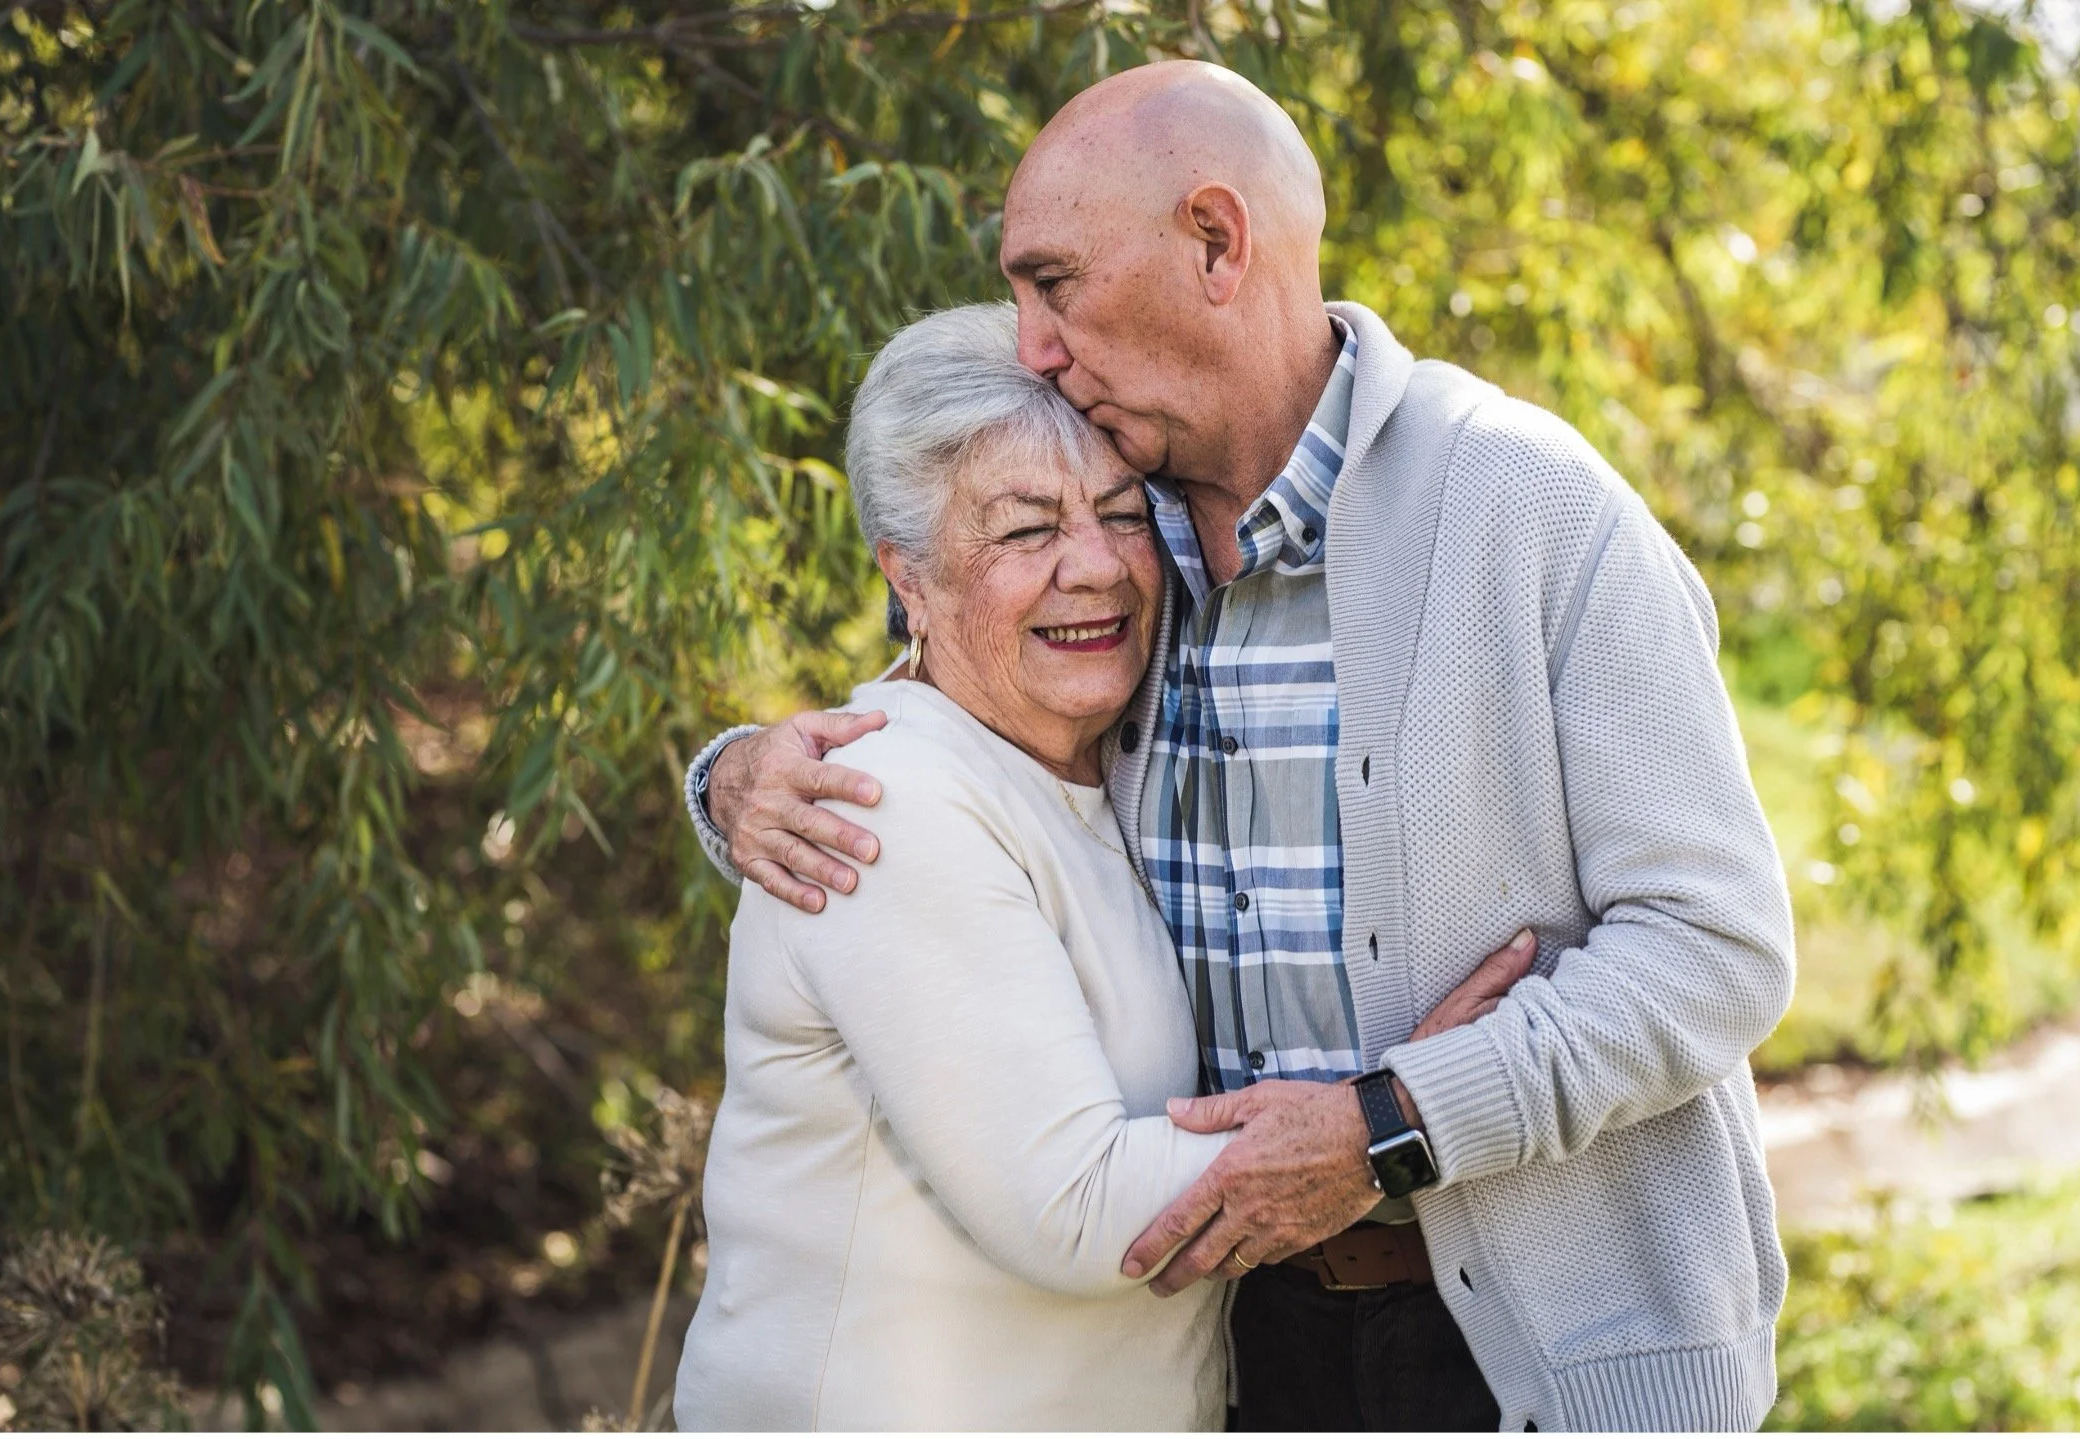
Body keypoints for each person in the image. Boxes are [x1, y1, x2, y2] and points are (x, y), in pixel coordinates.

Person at [685, 63, 1797, 1433]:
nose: (1032, 342)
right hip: (1250, 1341)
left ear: (1215, 240)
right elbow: (943, 704)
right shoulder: (1123, 532)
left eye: (1054, 282)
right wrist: (737, 771)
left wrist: (1393, 1122)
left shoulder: (1532, 508)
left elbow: (1717, 944)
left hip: (1527, 1356)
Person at [675, 303, 1236, 1429]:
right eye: (1026, 531)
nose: (1095, 566)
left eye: (1124, 515)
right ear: (910, 579)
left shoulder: (1105, 761)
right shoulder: (888, 801)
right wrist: (1397, 1113)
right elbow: (1074, 1206)